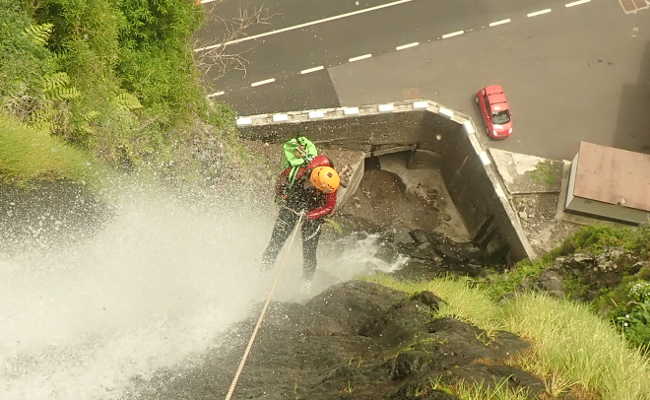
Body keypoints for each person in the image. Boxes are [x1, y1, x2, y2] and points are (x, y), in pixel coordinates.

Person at [261, 145, 340, 285]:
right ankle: (263, 271)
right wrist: (282, 194)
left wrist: (311, 215)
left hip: (314, 212)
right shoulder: (297, 172)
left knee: (309, 251)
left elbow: (329, 206)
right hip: (292, 205)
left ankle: (306, 282)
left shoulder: (330, 181)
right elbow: (281, 181)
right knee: (275, 243)